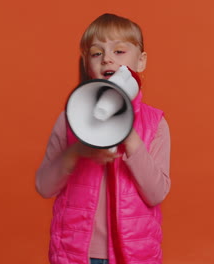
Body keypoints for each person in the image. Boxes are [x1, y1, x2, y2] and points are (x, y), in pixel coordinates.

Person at [36, 13, 171, 264]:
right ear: (87, 64)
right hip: (76, 254)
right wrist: (74, 152)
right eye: (97, 53)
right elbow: (44, 186)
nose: (107, 58)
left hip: (132, 255)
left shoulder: (155, 124)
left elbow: (156, 194)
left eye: (119, 51)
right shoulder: (69, 120)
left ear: (140, 62)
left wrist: (130, 138)